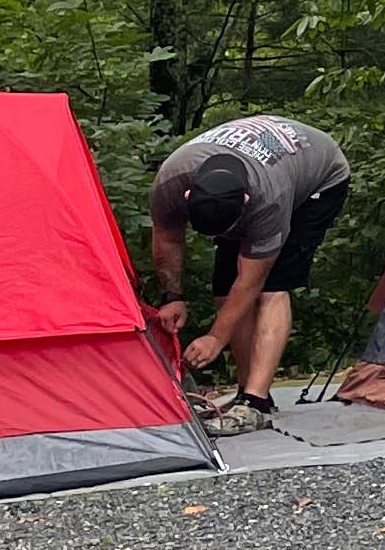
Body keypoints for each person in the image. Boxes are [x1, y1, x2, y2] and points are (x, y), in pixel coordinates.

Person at [146, 116, 352, 434]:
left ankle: (255, 403)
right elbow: (168, 235)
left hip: (319, 179)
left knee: (272, 287)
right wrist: (172, 296)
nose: (228, 236)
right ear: (188, 197)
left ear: (244, 204)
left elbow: (251, 282)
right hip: (250, 171)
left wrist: (216, 337)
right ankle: (246, 392)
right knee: (223, 291)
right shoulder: (172, 180)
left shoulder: (269, 198)